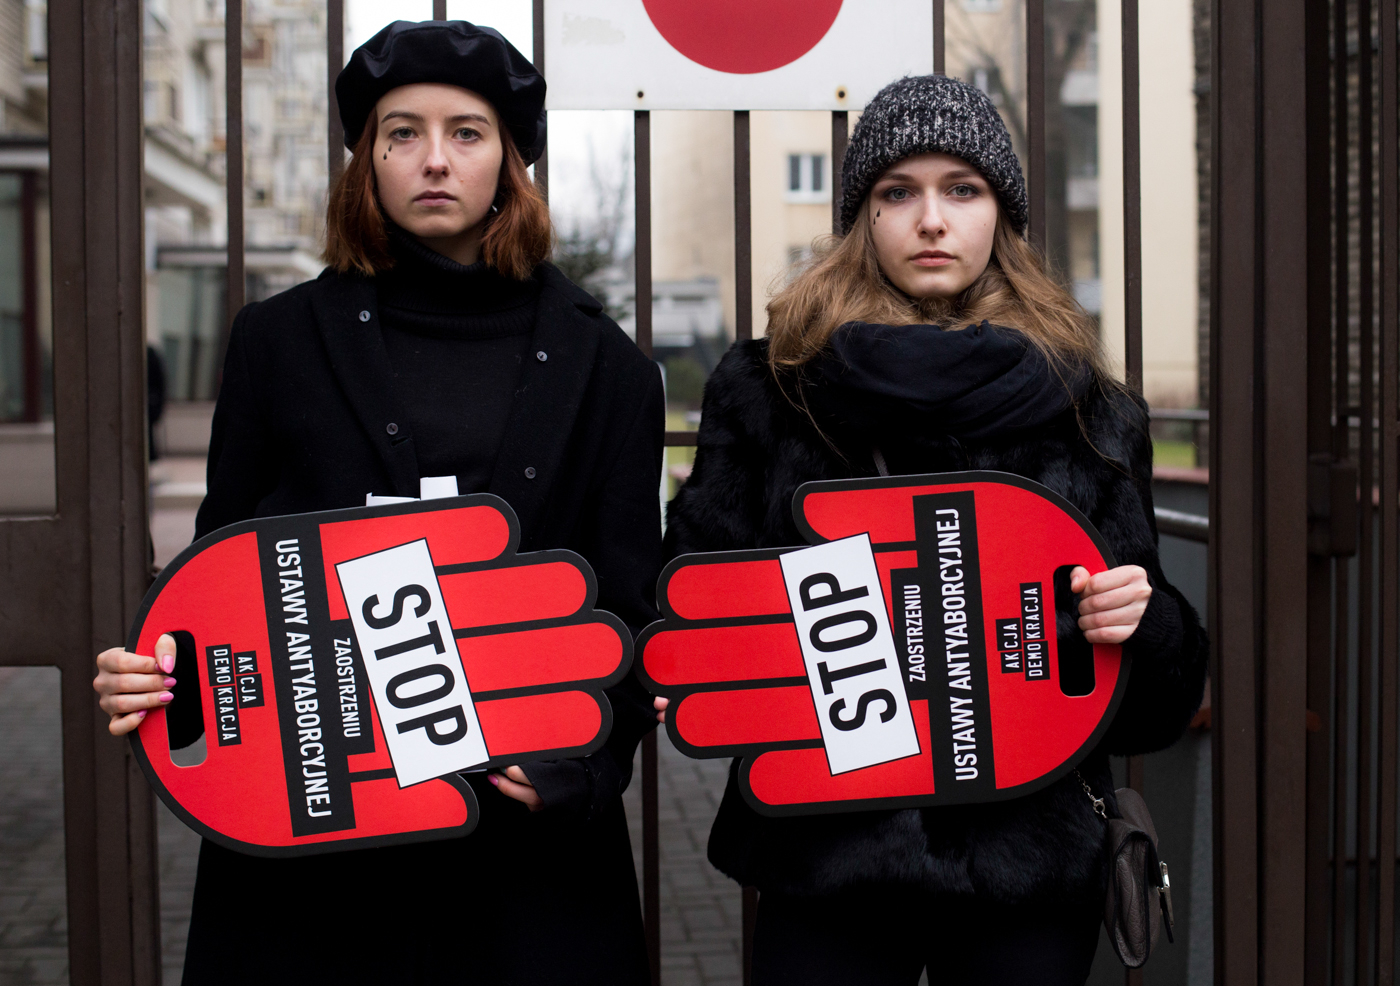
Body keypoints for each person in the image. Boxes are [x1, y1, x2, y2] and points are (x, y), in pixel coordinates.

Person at [92, 21, 660, 985]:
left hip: (520, 856)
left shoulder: (608, 367)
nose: (434, 158)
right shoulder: (276, 342)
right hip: (316, 842)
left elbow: (631, 605)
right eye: (401, 133)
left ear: (511, 162)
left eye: (468, 132)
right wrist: (164, 678)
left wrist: (584, 767)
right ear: (367, 161)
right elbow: (224, 576)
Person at [657, 75, 1208, 986]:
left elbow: (1151, 706)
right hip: (824, 856)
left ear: (1002, 214)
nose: (931, 219)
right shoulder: (772, 390)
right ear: (861, 217)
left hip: (1027, 867)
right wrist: (706, 655)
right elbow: (694, 591)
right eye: (896, 192)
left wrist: (1145, 625)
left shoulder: (1093, 412)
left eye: (962, 189)